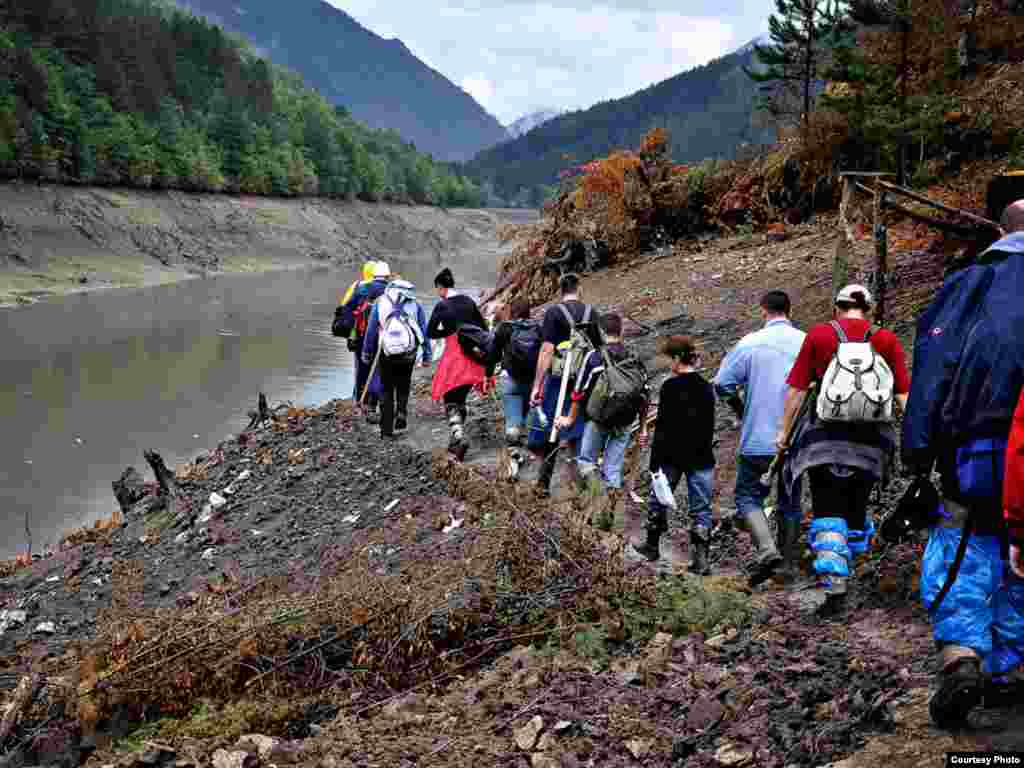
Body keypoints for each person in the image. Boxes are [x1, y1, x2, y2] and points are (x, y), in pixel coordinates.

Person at [902, 199, 1024, 729]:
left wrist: (918, 450)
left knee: (962, 546)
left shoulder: (969, 284)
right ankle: (1008, 669)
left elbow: (933, 367)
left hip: (976, 446)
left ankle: (962, 656)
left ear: (1000, 231)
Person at [778, 284, 910, 617]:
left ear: (836, 307)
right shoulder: (886, 340)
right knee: (855, 506)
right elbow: (903, 396)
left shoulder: (820, 336)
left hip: (824, 440)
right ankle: (852, 574)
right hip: (871, 444)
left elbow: (796, 390)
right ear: (870, 308)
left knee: (827, 505)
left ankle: (835, 583)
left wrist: (783, 434)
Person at [714, 290, 806, 586]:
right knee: (790, 499)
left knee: (747, 496)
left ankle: (767, 550)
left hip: (758, 436)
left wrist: (742, 409)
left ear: (763, 311)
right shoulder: (806, 342)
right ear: (789, 311)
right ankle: (788, 567)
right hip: (797, 439)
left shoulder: (750, 343)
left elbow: (723, 383)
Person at [630, 335, 716, 575]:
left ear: (678, 358)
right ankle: (701, 560)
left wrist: (654, 462)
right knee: (702, 508)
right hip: (701, 455)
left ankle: (651, 546)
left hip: (671, 456)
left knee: (658, 499)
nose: (668, 364)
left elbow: (664, 428)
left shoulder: (670, 387)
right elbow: (709, 425)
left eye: (669, 359)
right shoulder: (706, 387)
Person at [556, 312, 649, 496]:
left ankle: (600, 504)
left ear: (601, 332)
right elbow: (645, 394)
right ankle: (608, 514)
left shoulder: (594, 357)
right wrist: (643, 427)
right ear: (621, 331)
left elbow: (579, 391)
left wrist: (570, 418)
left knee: (587, 462)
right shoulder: (633, 357)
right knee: (613, 469)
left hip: (598, 419)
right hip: (625, 419)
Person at [529, 273, 601, 496]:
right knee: (578, 432)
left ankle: (543, 483)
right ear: (578, 288)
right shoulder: (591, 312)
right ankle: (582, 488)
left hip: (560, 380)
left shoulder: (554, 313)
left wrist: (537, 385)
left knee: (553, 428)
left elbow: (547, 350)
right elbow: (598, 351)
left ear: (561, 290)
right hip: (585, 380)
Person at [427, 267, 488, 461]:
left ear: (440, 287)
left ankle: (459, 438)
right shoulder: (469, 301)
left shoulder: (442, 306)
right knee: (460, 398)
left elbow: (430, 332)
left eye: (437, 289)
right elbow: (484, 328)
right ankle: (455, 440)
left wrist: (447, 333)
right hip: (473, 357)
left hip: (454, 357)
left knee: (450, 399)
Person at [361, 278, 431, 439]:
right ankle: (401, 413)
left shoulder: (380, 302)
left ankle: (386, 431)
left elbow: (371, 331)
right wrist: (427, 354)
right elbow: (423, 331)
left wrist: (366, 352)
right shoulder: (415, 304)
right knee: (404, 383)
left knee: (386, 389)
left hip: (386, 353)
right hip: (409, 352)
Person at [490, 299, 539, 476]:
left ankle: (513, 462)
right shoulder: (538, 328)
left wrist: (487, 373)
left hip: (510, 379)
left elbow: (493, 354)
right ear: (528, 312)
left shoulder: (504, 328)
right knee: (524, 416)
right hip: (532, 382)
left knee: (512, 419)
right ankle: (521, 443)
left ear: (512, 312)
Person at [341, 261, 392, 421]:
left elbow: (346, 308)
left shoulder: (360, 288)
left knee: (361, 368)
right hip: (383, 336)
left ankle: (359, 402)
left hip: (362, 336)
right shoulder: (391, 289)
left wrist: (350, 334)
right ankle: (373, 403)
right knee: (378, 370)